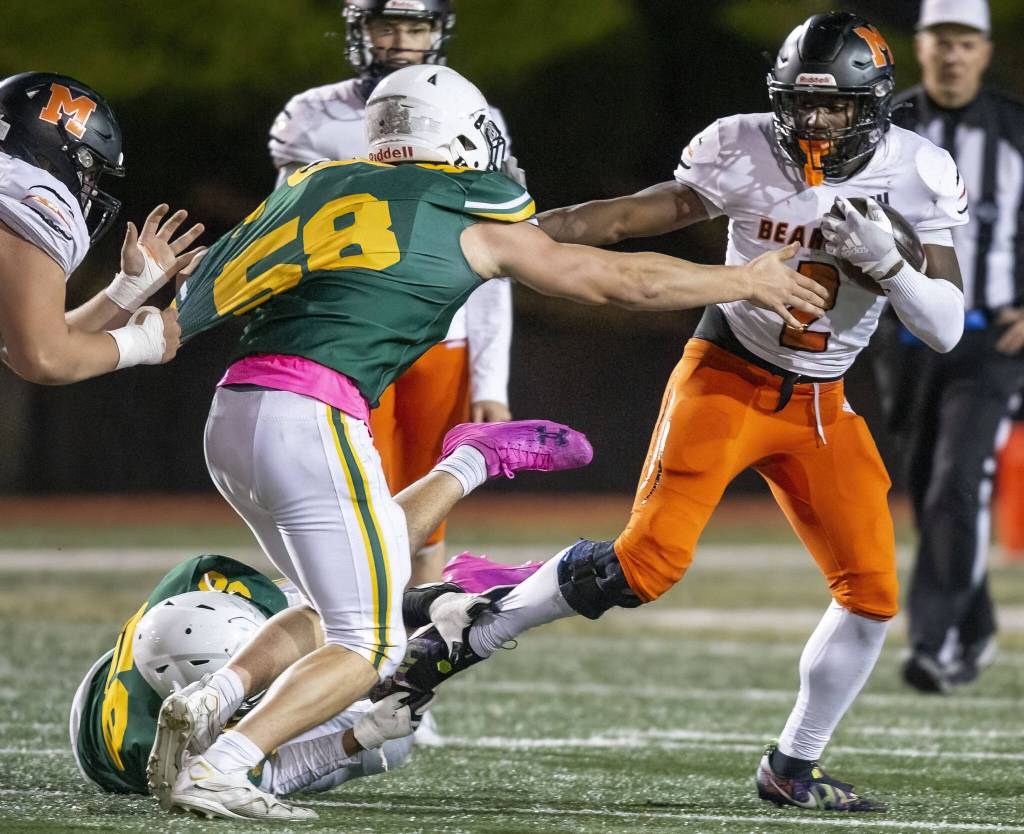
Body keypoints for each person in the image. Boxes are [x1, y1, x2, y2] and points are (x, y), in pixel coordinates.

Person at [149, 64, 826, 821]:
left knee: (338, 591)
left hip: (234, 408)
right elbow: (615, 281)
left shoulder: (329, 181)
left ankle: (214, 697)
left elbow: (210, 284)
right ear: (465, 135)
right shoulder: (459, 212)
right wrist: (742, 281)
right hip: (312, 412)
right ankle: (225, 764)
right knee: (367, 643)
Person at [379, 13, 969, 814]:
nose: (818, 123)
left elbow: (941, 327)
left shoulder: (920, 171)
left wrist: (888, 261)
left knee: (871, 595)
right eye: (803, 104)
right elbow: (624, 218)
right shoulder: (741, 144)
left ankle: (791, 767)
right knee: (644, 568)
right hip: (727, 372)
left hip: (824, 402)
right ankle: (470, 629)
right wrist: (503, 242)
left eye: (836, 108)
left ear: (875, 106)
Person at [270, 0, 515, 586]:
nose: (401, 41)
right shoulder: (313, 116)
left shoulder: (474, 113)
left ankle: (405, 660)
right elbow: (281, 238)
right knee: (349, 505)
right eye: (386, 25)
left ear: (437, 32)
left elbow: (496, 252)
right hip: (348, 338)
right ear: (361, 31)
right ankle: (346, 640)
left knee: (427, 514)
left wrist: (491, 380)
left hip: (440, 336)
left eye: (416, 26)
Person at [71, 546, 539, 799]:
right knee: (394, 743)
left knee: (327, 600)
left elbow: (317, 609)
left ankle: (442, 591)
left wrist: (422, 603)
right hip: (109, 752)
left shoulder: (198, 582)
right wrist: (362, 736)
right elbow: (271, 776)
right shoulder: (156, 757)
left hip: (128, 676)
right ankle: (391, 670)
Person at [885, 0, 1024, 693]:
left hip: (994, 339)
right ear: (921, 46)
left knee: (957, 482)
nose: (952, 54)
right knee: (923, 488)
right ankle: (974, 628)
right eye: (941, 40)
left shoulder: (1017, 130)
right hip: (907, 341)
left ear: (984, 52)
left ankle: (932, 642)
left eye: (965, 42)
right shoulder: (887, 127)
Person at [0, 72, 202, 384]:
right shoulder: (33, 194)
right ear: (60, 154)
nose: (89, 189)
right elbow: (44, 357)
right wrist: (142, 344)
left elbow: (23, 344)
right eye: (90, 172)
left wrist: (125, 293)